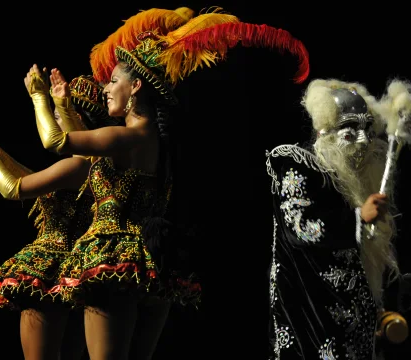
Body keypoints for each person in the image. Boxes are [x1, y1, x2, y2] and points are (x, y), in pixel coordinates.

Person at [23, 7, 311, 359]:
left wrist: (38, 97)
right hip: (151, 260)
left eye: (113, 81)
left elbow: (55, 143)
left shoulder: (129, 136)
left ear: (137, 86)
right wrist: (63, 106)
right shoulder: (150, 140)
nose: (106, 88)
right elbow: (84, 154)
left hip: (115, 260)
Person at [0, 72, 115, 360]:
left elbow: (14, 189)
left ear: (79, 120)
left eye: (60, 116)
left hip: (50, 271)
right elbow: (37, 184)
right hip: (77, 273)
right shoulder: (97, 167)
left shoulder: (79, 166)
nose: (56, 123)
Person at [264, 78, 400, 359]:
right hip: (310, 312)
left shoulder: (357, 177)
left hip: (354, 317)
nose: (363, 139)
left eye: (366, 128)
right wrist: (358, 218)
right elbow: (299, 225)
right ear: (325, 130)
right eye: (350, 128)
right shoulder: (295, 161)